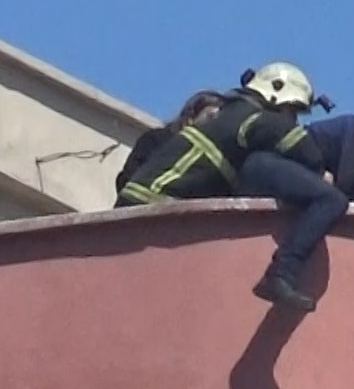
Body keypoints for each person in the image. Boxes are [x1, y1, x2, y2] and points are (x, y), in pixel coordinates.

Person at [115, 61, 336, 312]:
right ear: (276, 95)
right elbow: (302, 147)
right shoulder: (250, 117)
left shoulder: (231, 113)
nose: (292, 120)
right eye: (292, 111)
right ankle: (282, 272)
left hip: (146, 208)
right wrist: (318, 172)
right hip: (152, 205)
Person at [114, 90, 224, 197]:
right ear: (191, 117)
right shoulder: (156, 140)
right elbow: (129, 179)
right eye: (211, 117)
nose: (214, 125)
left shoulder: (213, 160)